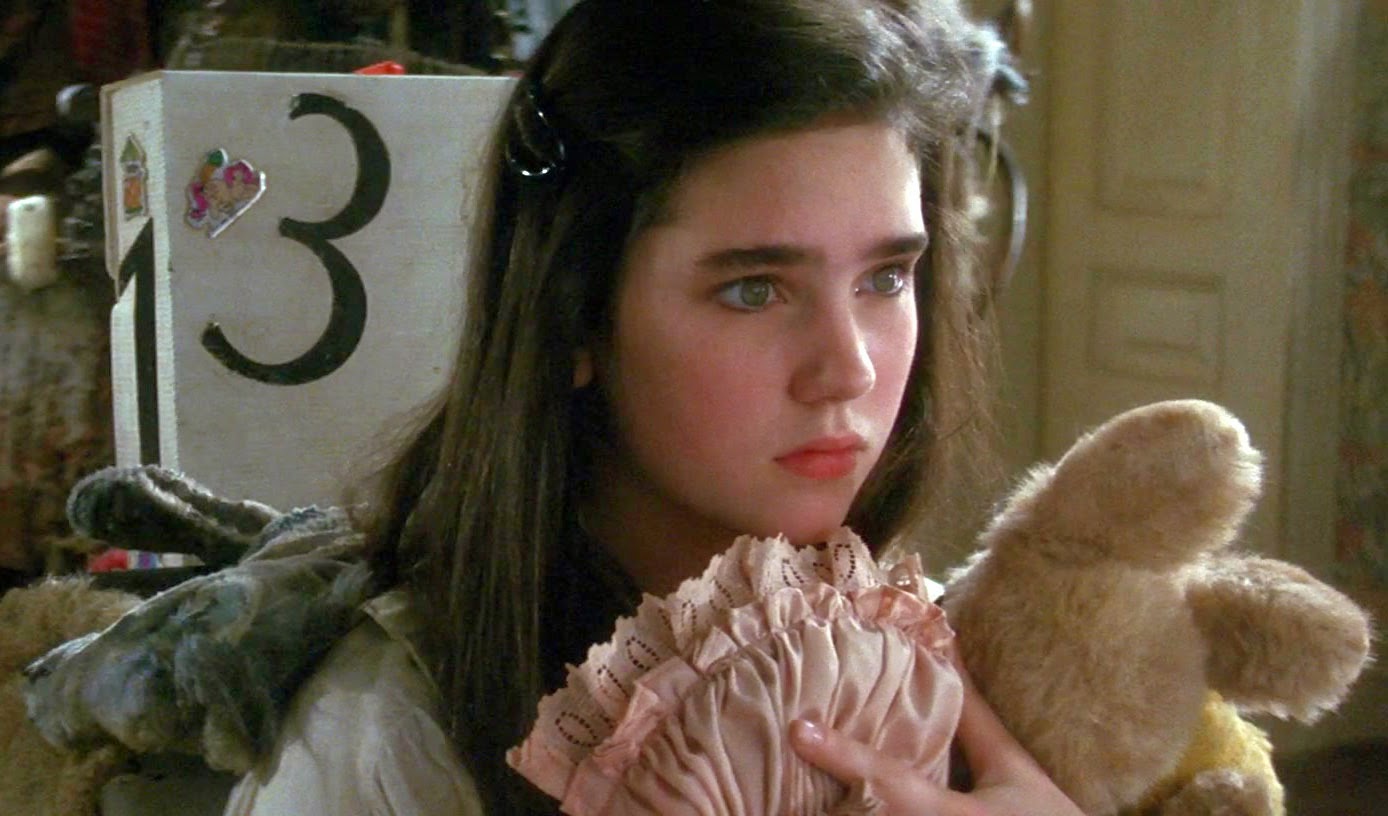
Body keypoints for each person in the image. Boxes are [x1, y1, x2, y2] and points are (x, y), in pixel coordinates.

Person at [222, 1, 1084, 814]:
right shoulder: (383, 737)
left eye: (885, 278)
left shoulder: (957, 660)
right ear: (575, 315)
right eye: (755, 290)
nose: (848, 369)